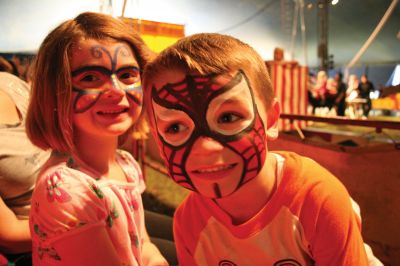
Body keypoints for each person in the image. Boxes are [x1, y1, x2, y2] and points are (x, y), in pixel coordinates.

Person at [142, 33, 382, 265]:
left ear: (271, 120)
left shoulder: (317, 200)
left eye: (228, 117)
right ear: (157, 138)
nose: (205, 147)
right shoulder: (189, 222)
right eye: (174, 128)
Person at [25, 12, 168, 265]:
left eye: (127, 75)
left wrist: (154, 257)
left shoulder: (125, 164)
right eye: (90, 78)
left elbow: (141, 243)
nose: (116, 90)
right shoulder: (63, 190)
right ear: (57, 91)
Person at [0, 71, 50, 265]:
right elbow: (10, 238)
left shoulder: (9, 82)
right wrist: (84, 225)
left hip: (95, 199)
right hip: (43, 245)